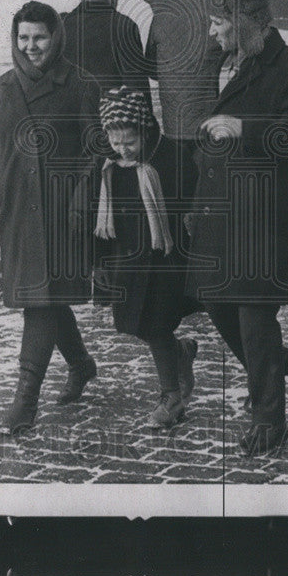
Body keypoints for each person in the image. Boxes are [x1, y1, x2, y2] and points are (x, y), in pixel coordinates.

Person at [185, 0, 288, 456]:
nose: (212, 31)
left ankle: (269, 419)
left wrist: (245, 129)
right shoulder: (226, 61)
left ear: (245, 20)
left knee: (252, 314)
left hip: (263, 219)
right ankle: (269, 359)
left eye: (219, 21)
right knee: (215, 301)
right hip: (220, 212)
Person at [0, 0, 101, 436]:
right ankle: (81, 365)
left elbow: (97, 149)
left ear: (56, 36)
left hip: (65, 214)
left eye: (39, 37)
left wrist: (83, 195)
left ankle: (25, 402)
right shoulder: (4, 88)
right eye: (23, 37)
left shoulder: (80, 85)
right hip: (21, 213)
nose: (31, 46)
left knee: (39, 303)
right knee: (46, 297)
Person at [93, 87, 199, 429]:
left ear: (145, 129)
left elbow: (191, 201)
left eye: (130, 142)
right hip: (125, 257)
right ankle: (180, 353)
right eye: (115, 141)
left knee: (155, 324)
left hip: (164, 257)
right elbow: (93, 216)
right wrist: (98, 261)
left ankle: (171, 398)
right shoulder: (107, 166)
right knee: (137, 324)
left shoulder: (170, 157)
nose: (122, 149)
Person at [144, 0, 228, 145]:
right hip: (214, 127)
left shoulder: (163, 12)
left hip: (174, 127)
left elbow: (151, 67)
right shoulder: (224, 14)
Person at [61, 0, 150, 103]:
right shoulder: (124, 26)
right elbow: (136, 86)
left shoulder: (61, 23)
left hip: (66, 116)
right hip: (110, 117)